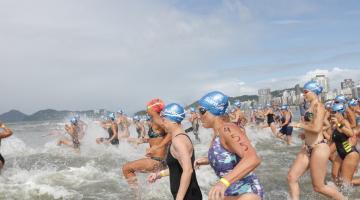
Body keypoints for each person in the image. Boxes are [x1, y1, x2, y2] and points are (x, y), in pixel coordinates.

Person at [193, 91, 264, 200]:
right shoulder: (217, 133)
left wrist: (224, 182)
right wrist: (207, 160)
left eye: (202, 111)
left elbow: (253, 158)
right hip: (230, 193)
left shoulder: (227, 129)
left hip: (246, 193)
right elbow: (229, 155)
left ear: (215, 110)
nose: (199, 116)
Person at [289, 81, 346, 200]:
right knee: (291, 177)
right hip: (307, 147)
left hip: (319, 148)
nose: (303, 95)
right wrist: (305, 134)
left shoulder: (319, 106)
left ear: (314, 92)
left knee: (319, 187)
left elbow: (316, 128)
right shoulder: (310, 106)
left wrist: (300, 125)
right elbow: (312, 125)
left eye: (305, 92)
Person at [147, 103, 203, 200]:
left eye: (164, 120)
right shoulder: (182, 137)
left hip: (188, 196)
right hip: (189, 194)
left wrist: (179, 197)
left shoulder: (178, 141)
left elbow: (188, 170)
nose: (163, 124)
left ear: (173, 121)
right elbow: (178, 168)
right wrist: (159, 175)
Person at [122, 99, 169, 187]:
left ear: (152, 109)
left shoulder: (157, 119)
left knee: (126, 168)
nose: (146, 110)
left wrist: (158, 147)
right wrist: (142, 141)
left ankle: (137, 196)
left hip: (156, 161)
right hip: (160, 161)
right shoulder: (158, 120)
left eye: (148, 108)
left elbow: (173, 131)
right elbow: (159, 137)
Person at [329, 103, 359, 186]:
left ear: (339, 112)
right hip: (341, 152)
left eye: (334, 112)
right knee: (335, 175)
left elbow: (350, 133)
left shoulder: (344, 122)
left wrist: (339, 125)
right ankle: (338, 194)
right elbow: (332, 140)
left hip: (349, 152)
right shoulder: (335, 123)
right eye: (331, 112)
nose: (332, 114)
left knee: (346, 182)